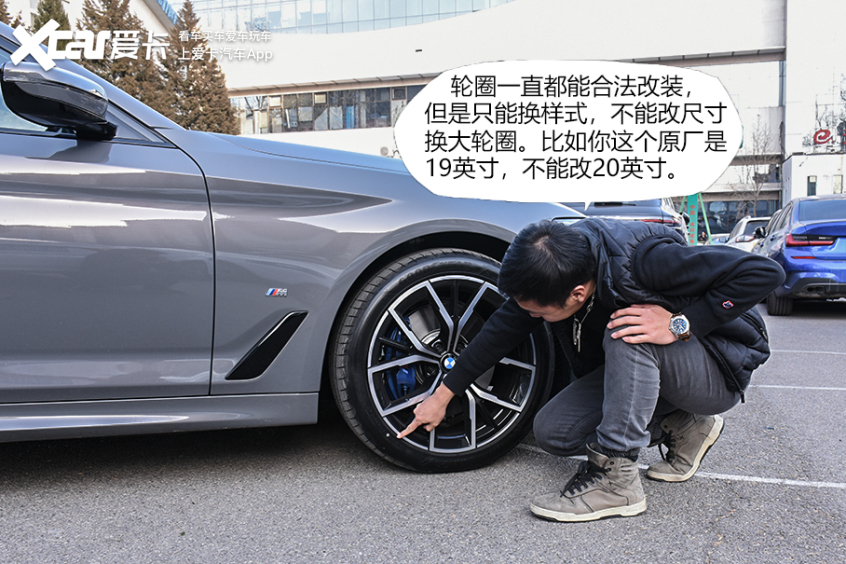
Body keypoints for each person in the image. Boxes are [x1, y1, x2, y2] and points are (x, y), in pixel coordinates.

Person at [397, 218, 784, 522]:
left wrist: (679, 324)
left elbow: (764, 273)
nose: (531, 316)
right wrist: (443, 395)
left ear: (577, 294)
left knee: (628, 330)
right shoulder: (555, 269)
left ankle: (617, 482)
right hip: (654, 369)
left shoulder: (646, 261)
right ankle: (685, 425)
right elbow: (499, 332)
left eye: (537, 313)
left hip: (716, 367)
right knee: (554, 432)